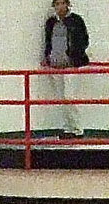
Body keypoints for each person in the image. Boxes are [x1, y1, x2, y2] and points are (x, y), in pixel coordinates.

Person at [42, 0, 89, 137]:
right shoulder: (51, 22)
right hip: (56, 64)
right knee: (61, 98)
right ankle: (68, 127)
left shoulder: (76, 20)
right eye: (57, 4)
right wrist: (47, 56)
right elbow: (48, 41)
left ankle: (77, 128)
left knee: (70, 97)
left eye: (62, 3)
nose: (59, 7)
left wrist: (73, 55)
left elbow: (84, 40)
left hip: (71, 64)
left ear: (67, 5)